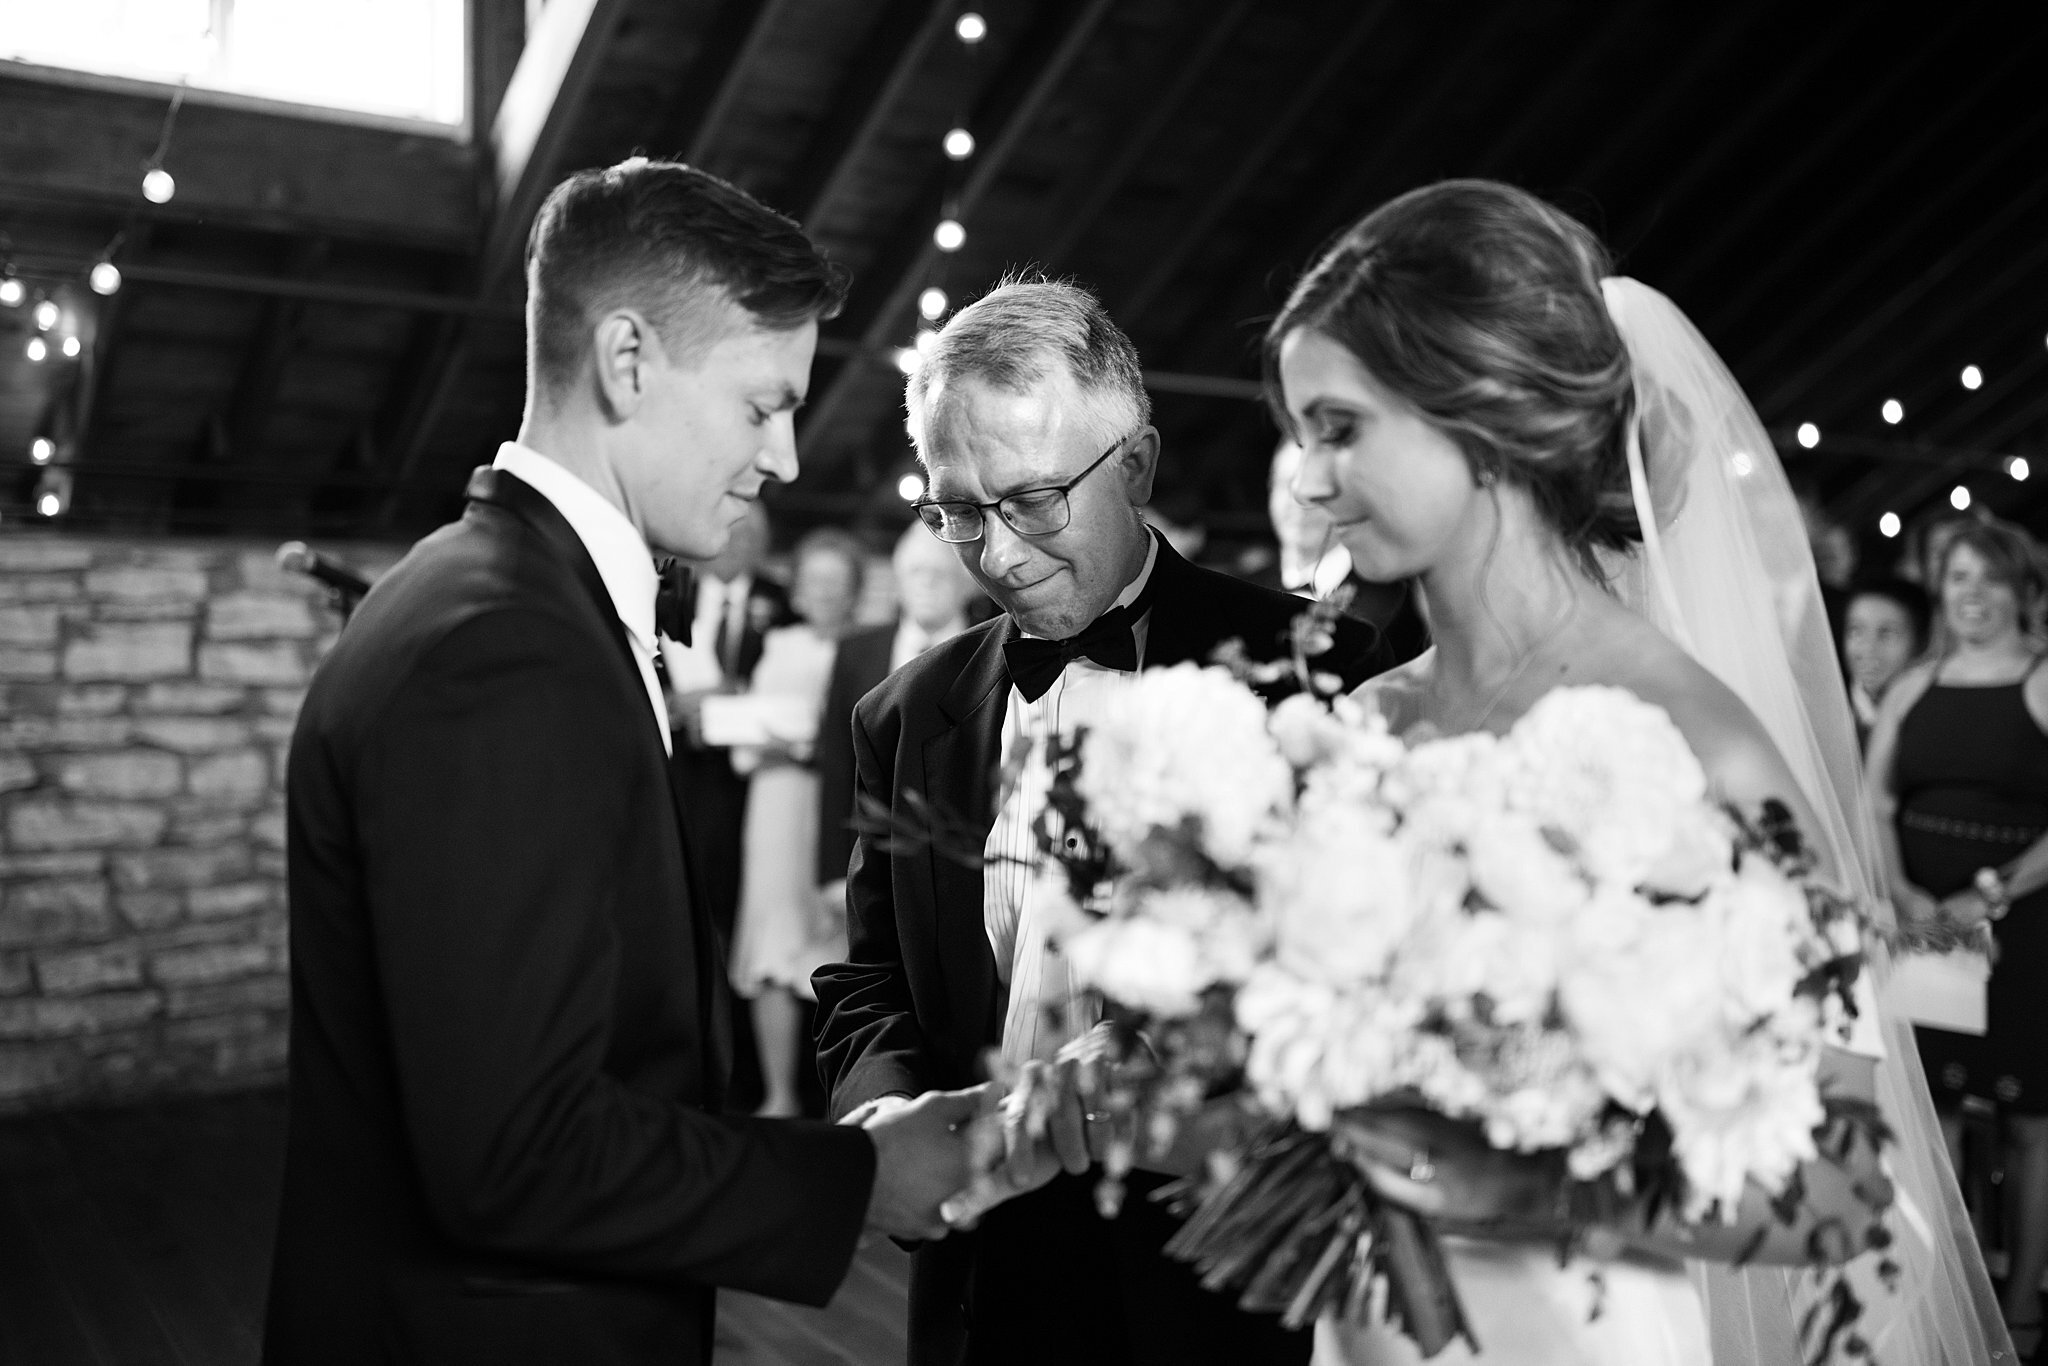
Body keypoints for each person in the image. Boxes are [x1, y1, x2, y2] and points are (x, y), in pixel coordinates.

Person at [263, 158, 988, 1366]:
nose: (789, 458)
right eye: (763, 404)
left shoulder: (489, 593)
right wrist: (856, 1175)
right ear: (629, 360)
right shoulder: (501, 649)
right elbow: (513, 1150)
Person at [1266, 180, 2005, 1365]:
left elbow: (1835, 1185)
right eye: (1302, 432)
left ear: (1480, 415)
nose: (1305, 481)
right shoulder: (1353, 726)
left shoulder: (1697, 748)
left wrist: (1514, 1180)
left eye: (1340, 427)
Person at [811, 279, 1387, 1366]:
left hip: (1216, 1286)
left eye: (1031, 501)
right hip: (980, 1278)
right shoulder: (901, 715)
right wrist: (881, 1131)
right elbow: (868, 979)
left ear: (1137, 465)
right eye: (956, 512)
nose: (995, 554)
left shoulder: (1319, 677)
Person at [1867, 516, 2048, 1359]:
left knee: (2028, 1121)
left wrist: (1992, 894)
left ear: (2022, 589)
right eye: (1958, 577)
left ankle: (2021, 1311)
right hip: (1926, 921)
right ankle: (1934, 1297)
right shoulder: (1915, 684)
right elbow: (1875, 801)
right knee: (1927, 1116)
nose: (1972, 593)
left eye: (1990, 578)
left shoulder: (2044, 678)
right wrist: (1907, 894)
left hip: (2022, 925)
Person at [729, 526, 867, 1118]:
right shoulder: (778, 646)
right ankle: (777, 1095)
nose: (822, 594)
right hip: (776, 808)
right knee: (770, 940)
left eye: (836, 584)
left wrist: (806, 746)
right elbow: (742, 739)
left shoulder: (867, 650)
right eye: (812, 582)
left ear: (855, 592)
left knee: (833, 939)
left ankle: (836, 1091)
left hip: (834, 808)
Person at [814, 521, 984, 913]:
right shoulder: (857, 652)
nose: (927, 584)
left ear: (967, 583)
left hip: (963, 863)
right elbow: (838, 762)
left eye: (940, 573)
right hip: (872, 856)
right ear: (898, 580)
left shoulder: (989, 652)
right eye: (915, 572)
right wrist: (830, 872)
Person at [663, 499, 792, 944]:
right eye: (726, 530)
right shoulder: (668, 593)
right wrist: (674, 702)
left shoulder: (782, 601)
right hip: (680, 768)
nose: (732, 543)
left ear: (762, 545)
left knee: (742, 894)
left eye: (747, 536)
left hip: (753, 775)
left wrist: (737, 697)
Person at [1842, 577, 1930, 747]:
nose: (1868, 649)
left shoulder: (1934, 716)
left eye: (1887, 633)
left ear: (1921, 643)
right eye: (1856, 631)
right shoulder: (1821, 714)